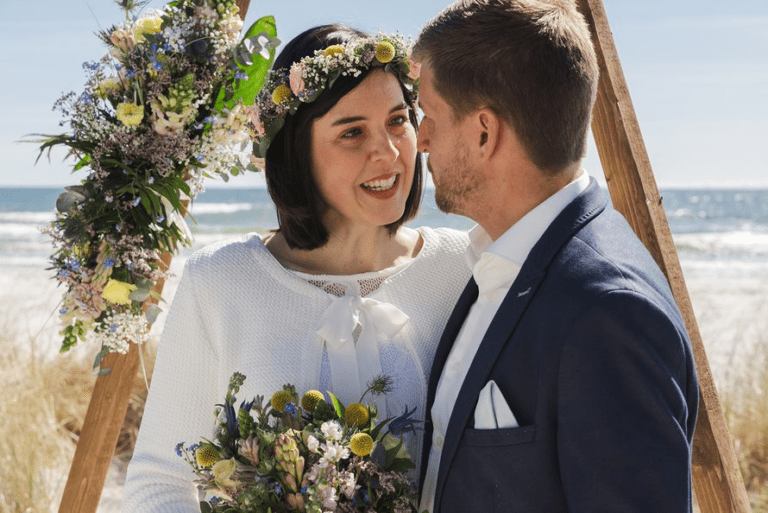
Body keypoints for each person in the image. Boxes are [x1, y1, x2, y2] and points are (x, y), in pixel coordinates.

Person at [122, 24, 471, 511]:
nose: (389, 152)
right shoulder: (219, 282)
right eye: (352, 132)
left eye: (398, 120)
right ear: (296, 153)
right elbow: (160, 481)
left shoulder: (466, 268)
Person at [413, 1, 699, 512]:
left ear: (484, 131)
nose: (420, 141)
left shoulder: (608, 312)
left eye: (429, 116)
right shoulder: (497, 261)